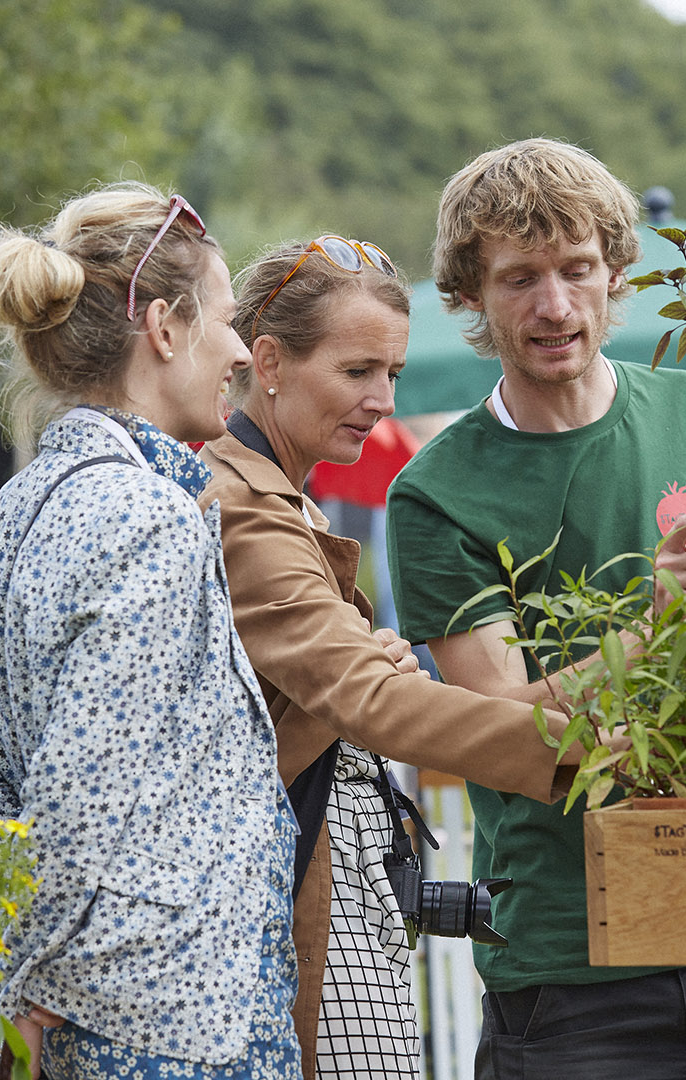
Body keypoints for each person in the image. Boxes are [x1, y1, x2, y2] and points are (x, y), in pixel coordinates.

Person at [384, 138, 686, 1079]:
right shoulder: (440, 491)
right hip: (572, 970)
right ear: (471, 294)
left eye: (577, 270)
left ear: (615, 274)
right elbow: (494, 729)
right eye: (519, 277)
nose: (554, 306)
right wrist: (653, 631)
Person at [0, 183, 300, 1080]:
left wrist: (6, 986)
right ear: (164, 328)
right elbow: (85, 791)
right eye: (219, 320)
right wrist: (34, 989)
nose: (241, 352)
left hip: (73, 1019)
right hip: (169, 1023)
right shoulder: (147, 516)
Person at [200, 237, 583, 1079]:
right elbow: (364, 702)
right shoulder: (243, 508)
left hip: (331, 889)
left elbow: (312, 701)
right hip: (299, 895)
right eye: (356, 371)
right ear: (267, 361)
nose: (381, 400)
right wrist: (586, 726)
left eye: (395, 375)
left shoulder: (274, 496)